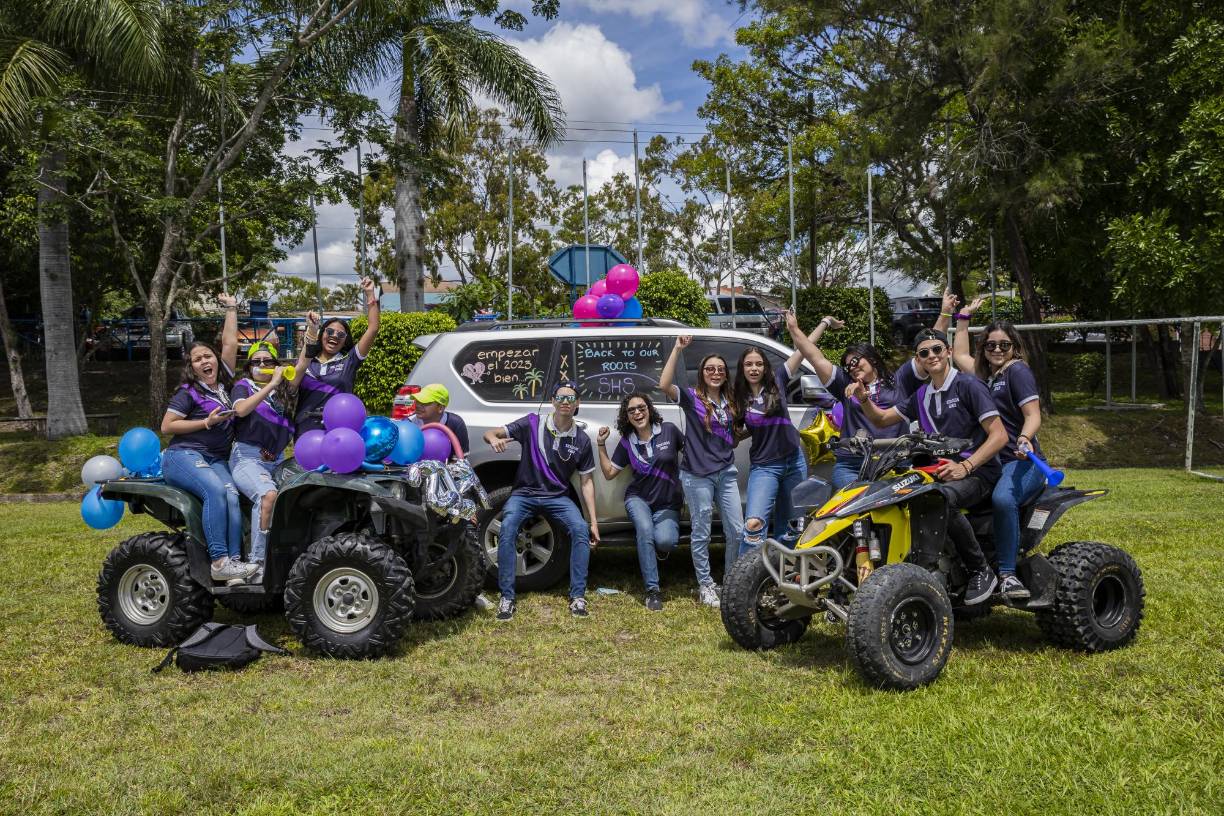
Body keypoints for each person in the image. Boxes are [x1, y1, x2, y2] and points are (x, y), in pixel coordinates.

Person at [851, 329, 1008, 605]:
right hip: (936, 472)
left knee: (938, 498)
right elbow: (882, 419)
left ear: (948, 351)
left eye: (937, 349)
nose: (932, 356)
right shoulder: (921, 394)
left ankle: (980, 570)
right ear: (919, 360)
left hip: (979, 472)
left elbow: (999, 435)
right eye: (924, 353)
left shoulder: (969, 386)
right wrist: (864, 399)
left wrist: (967, 466)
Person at [482, 382, 600, 621]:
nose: (565, 402)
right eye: (561, 397)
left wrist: (593, 522)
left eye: (571, 398)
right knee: (506, 530)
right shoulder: (532, 423)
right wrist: (494, 439)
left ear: (577, 404)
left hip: (557, 497)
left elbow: (587, 482)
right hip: (523, 494)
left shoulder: (582, 439)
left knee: (580, 530)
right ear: (553, 401)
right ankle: (507, 598)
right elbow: (491, 433)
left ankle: (578, 596)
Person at [951, 297, 1044, 600]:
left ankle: (1007, 575)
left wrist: (1025, 437)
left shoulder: (1017, 371)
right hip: (992, 463)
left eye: (1004, 345)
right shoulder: (985, 376)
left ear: (1014, 347)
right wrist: (962, 315)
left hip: (1022, 461)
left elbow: (1033, 415)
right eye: (991, 345)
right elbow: (959, 353)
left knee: (1004, 499)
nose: (997, 350)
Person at [159, 294, 253, 584]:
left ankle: (234, 564)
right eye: (198, 359)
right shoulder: (189, 392)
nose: (204, 361)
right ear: (193, 367)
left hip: (216, 458)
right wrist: (206, 422)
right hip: (183, 456)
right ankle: (220, 560)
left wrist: (231, 308)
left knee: (233, 496)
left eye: (207, 356)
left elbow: (230, 343)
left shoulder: (223, 383)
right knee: (214, 490)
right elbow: (167, 426)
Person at [734, 310, 827, 554]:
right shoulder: (738, 399)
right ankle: (743, 582)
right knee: (754, 524)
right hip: (765, 466)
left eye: (758, 364)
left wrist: (823, 323)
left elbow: (804, 350)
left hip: (794, 462)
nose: (754, 368)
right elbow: (737, 433)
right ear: (742, 368)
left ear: (765, 367)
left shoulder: (777, 381)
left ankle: (787, 577)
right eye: (748, 364)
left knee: (793, 526)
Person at [659, 336, 742, 608]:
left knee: (737, 531)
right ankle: (705, 585)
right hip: (697, 476)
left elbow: (733, 433)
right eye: (710, 369)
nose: (715, 373)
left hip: (726, 472)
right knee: (702, 533)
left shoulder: (731, 400)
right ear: (702, 373)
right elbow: (664, 385)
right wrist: (677, 348)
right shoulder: (692, 397)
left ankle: (730, 581)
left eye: (720, 369)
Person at [596, 393, 684, 611]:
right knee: (644, 530)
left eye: (641, 407)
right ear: (627, 416)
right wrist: (600, 444)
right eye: (631, 410)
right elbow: (608, 473)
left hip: (667, 502)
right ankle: (652, 591)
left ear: (649, 409)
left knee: (666, 541)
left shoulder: (669, 430)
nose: (637, 413)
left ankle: (655, 546)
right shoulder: (627, 442)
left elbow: (691, 454)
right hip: (638, 498)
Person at [803, 316, 907, 490]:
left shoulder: (899, 381)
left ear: (871, 359)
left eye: (854, 361)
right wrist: (824, 322)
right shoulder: (845, 384)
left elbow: (928, 354)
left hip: (893, 464)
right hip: (851, 466)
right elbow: (812, 355)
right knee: (858, 501)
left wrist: (945, 314)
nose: (851, 368)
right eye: (847, 367)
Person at [228, 341, 290, 583]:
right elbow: (241, 411)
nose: (262, 365)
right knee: (267, 496)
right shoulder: (243, 386)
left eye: (268, 361)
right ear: (249, 366)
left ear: (276, 365)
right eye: (256, 361)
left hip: (276, 459)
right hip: (247, 457)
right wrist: (272, 383)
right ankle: (256, 566)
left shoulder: (283, 392)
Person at [293, 277, 381, 437]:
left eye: (341, 334)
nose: (335, 336)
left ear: (345, 340)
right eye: (330, 332)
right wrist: (312, 329)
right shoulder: (307, 362)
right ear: (322, 334)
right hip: (305, 431)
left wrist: (370, 295)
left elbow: (373, 328)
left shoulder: (350, 361)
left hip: (339, 433)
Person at [411, 384, 469, 457]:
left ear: (440, 408)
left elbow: (461, 460)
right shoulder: (411, 424)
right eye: (417, 401)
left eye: (425, 403)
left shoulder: (455, 424)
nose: (418, 406)